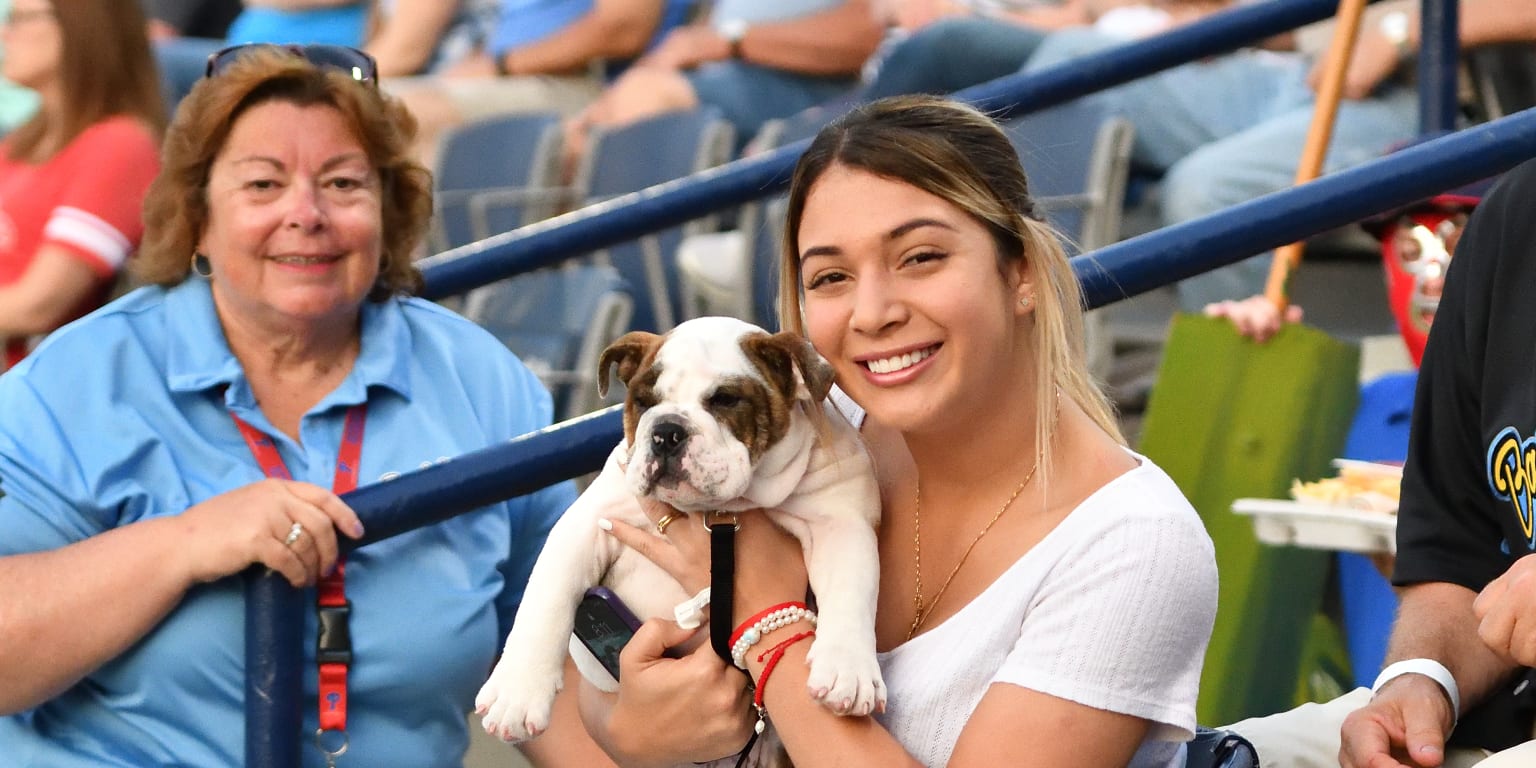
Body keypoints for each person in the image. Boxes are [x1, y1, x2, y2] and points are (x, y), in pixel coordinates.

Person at [0, 46, 613, 768]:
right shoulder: (73, 383)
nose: (306, 213)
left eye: (343, 183)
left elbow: (547, 660)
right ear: (197, 217)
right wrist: (181, 544)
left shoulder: (482, 382)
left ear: (387, 211)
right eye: (263, 184)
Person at [582, 95, 1218, 767]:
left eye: (920, 257)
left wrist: (770, 631)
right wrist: (626, 729)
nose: (873, 312)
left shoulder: (1134, 546)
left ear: (1021, 273)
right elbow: (574, 662)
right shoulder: (802, 440)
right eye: (830, 276)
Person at [1022, 0, 1536, 312]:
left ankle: (1232, 390)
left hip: (1425, 96)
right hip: (1299, 67)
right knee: (1070, 57)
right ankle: (1033, 312)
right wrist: (1221, 24)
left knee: (1209, 191)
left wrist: (1401, 32)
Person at [0, 0, 163, 370]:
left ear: (80, 28)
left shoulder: (120, 145)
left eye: (20, 18)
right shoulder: (23, 140)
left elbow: (38, 306)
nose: (5, 33)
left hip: (27, 382)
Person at [562, 0, 885, 167]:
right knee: (574, 132)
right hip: (720, 80)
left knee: (646, 100)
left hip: (811, 92)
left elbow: (865, 34)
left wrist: (728, 40)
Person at [389, 0, 690, 169]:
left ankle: (413, 276)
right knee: (366, 104)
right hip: (515, 77)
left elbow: (624, 28)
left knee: (402, 114)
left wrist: (500, 65)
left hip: (590, 84)